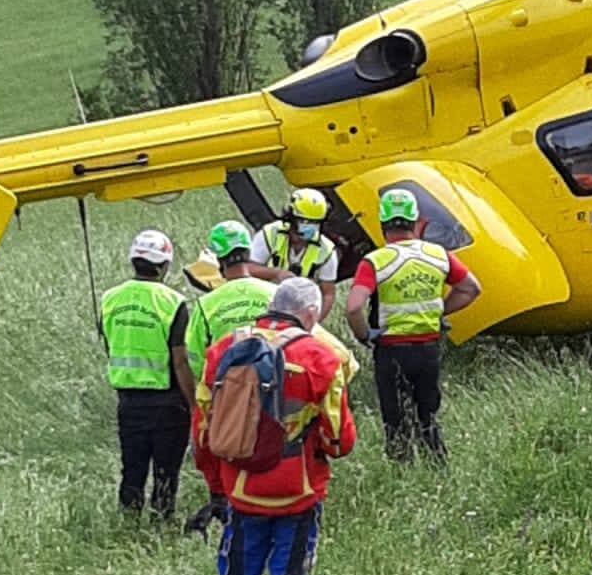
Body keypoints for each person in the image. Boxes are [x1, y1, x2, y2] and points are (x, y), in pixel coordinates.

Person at [191, 278, 357, 575]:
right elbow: (340, 441)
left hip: (242, 490)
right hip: (298, 493)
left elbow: (202, 434)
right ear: (312, 314)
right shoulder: (322, 357)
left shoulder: (224, 350)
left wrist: (217, 486)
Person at [345, 188, 482, 463]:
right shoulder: (438, 255)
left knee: (396, 420)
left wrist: (364, 335)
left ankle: (401, 468)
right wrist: (438, 310)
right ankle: (437, 463)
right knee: (428, 414)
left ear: (382, 225)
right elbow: (471, 289)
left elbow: (353, 307)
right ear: (418, 222)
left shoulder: (375, 261)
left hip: (391, 350)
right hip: (428, 348)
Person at [99, 229, 189, 521]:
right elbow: (180, 360)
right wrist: (195, 403)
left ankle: (128, 523)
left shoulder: (110, 298)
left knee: (133, 469)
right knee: (166, 471)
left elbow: (110, 342)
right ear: (164, 265)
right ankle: (162, 523)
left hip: (128, 401)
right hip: (168, 401)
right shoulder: (173, 303)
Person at [185, 220, 273, 396]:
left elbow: (194, 357)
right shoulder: (274, 294)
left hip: (225, 392)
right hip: (273, 389)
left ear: (218, 259)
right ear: (248, 252)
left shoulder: (206, 304)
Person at [249, 187, 340, 321]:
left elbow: (328, 294)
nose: (310, 227)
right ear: (291, 218)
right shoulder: (270, 234)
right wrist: (276, 274)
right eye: (304, 222)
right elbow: (249, 269)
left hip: (299, 311)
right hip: (262, 301)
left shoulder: (326, 251)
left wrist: (314, 323)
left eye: (315, 223)